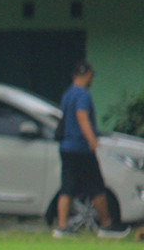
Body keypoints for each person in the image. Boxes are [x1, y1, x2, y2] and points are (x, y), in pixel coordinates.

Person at [53, 61, 129, 239]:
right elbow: (82, 117)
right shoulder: (83, 95)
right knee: (96, 186)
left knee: (67, 187)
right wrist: (92, 140)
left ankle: (62, 227)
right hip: (81, 148)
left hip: (66, 147)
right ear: (86, 75)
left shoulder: (68, 94)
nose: (92, 79)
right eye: (91, 76)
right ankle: (106, 226)